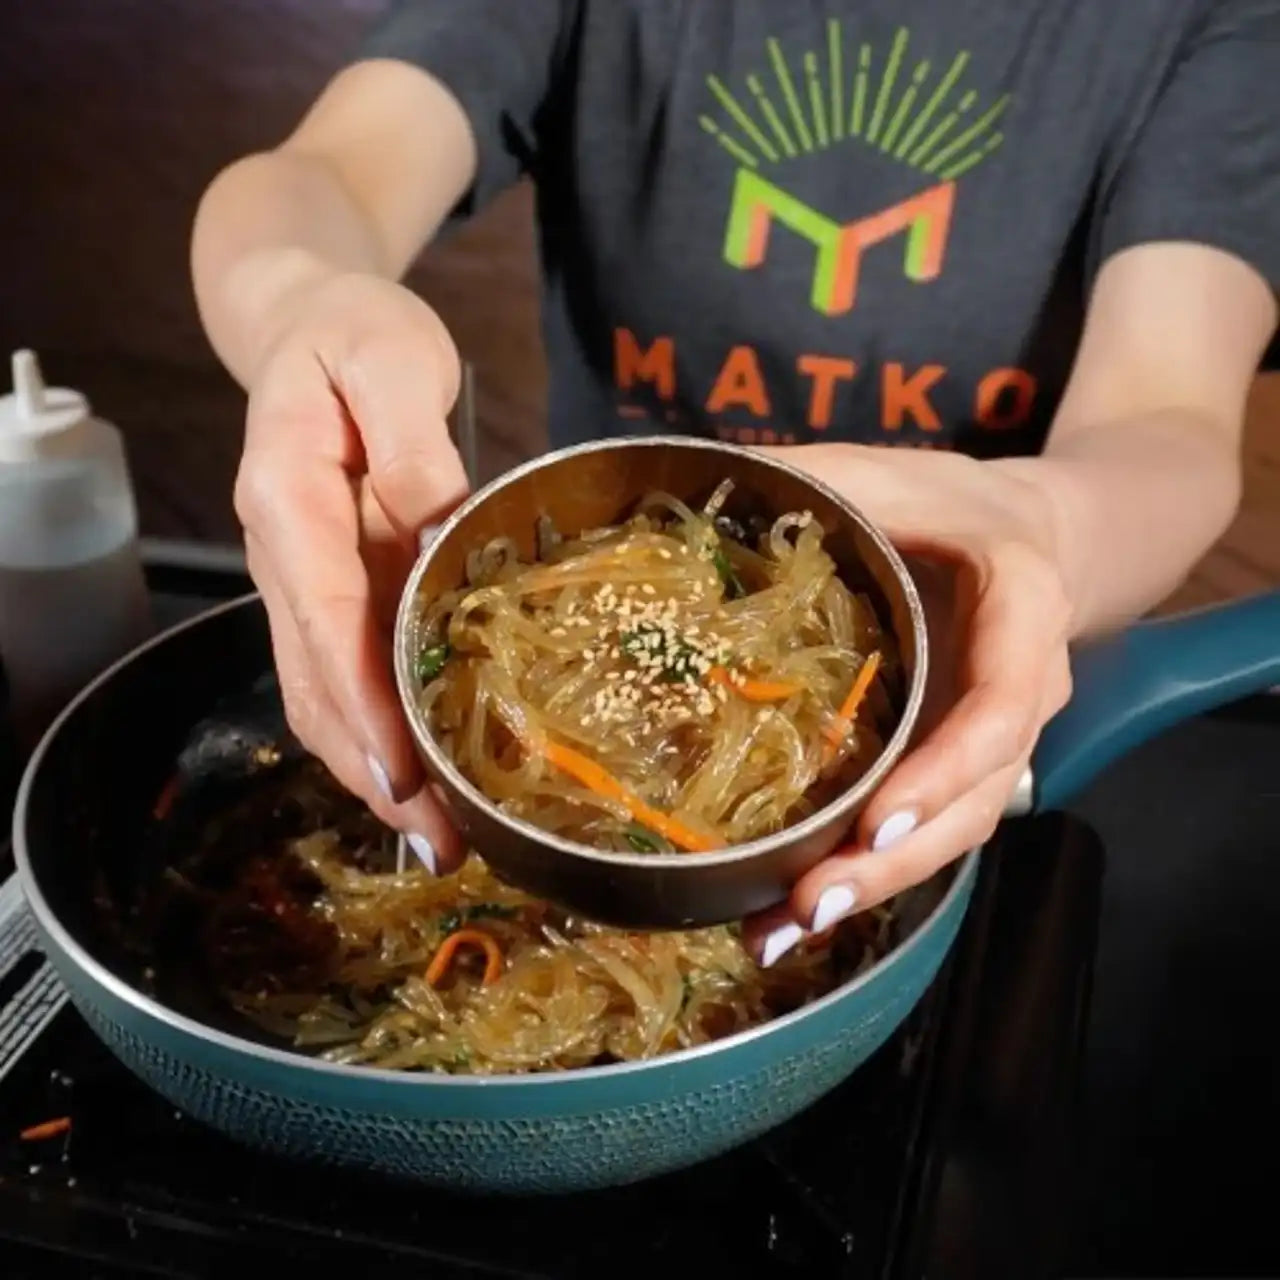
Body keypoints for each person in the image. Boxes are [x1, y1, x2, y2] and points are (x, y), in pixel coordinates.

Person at [190, 1, 1279, 967]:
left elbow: (1168, 425)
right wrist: (298, 300)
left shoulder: (1200, 23)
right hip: (568, 609)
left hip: (928, 704)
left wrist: (1042, 520)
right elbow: (320, 177)